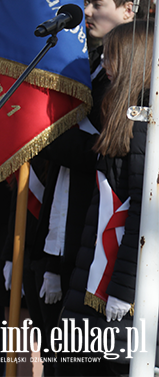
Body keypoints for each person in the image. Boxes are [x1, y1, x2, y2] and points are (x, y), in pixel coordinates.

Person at [59, 20, 154, 375]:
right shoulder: (122, 118)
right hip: (95, 269)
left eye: (112, 57)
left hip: (115, 281)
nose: (105, 65)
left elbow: (143, 214)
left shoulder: (144, 129)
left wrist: (123, 289)